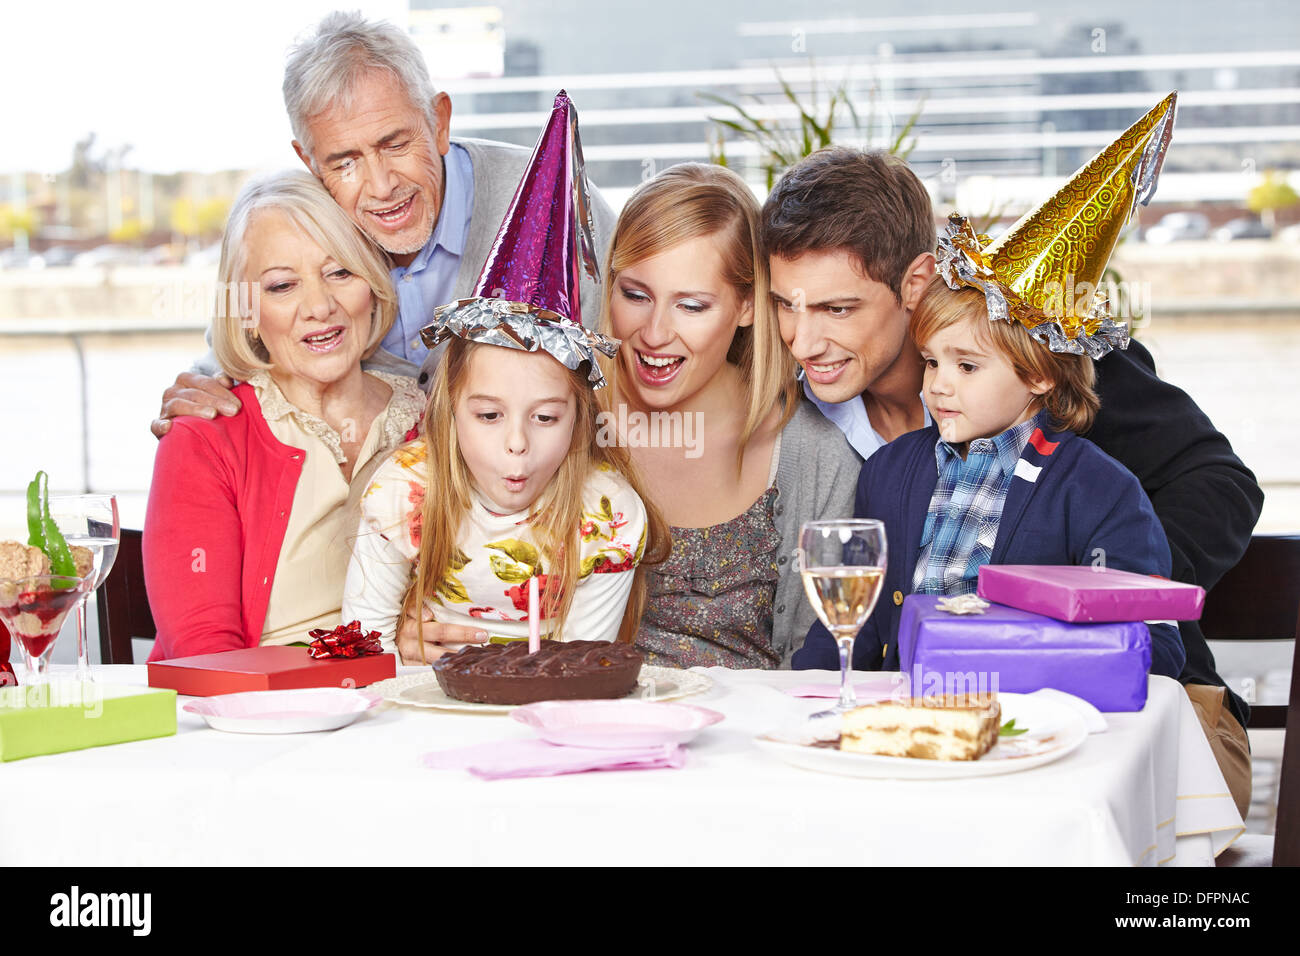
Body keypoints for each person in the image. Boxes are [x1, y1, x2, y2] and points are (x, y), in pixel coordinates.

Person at [763, 131, 1259, 815]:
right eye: (784, 306)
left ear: (916, 284)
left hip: (1135, 715)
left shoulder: (1054, 357)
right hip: (926, 719)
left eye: (836, 309)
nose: (802, 340)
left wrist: (1079, 602)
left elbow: (1223, 484)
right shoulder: (808, 410)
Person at [150, 10, 616, 434]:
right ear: (309, 162)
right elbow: (231, 358)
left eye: (394, 144)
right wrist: (199, 395)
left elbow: (621, 381)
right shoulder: (304, 228)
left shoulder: (558, 204)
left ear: (439, 122)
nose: (380, 186)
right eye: (345, 162)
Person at [792, 272, 1185, 679]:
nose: (938, 386)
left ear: (1039, 373)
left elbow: (1154, 644)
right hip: (906, 717)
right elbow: (853, 625)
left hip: (1032, 721)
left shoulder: (1101, 491)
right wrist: (807, 691)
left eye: (966, 366)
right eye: (931, 362)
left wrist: (1036, 657)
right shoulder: (886, 471)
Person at [143, 171, 425, 659]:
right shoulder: (202, 438)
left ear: (373, 283)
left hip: (405, 707)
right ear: (246, 310)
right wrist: (368, 659)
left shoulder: (435, 421)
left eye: (340, 272)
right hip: (256, 718)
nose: (319, 306)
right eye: (282, 286)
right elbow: (206, 657)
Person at [598, 163, 860, 667]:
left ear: (746, 305)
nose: (654, 333)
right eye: (635, 295)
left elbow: (822, 668)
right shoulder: (560, 424)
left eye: (691, 306)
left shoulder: (815, 458)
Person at [342, 328, 665, 656]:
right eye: (489, 415)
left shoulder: (608, 513)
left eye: (545, 417)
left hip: (544, 698)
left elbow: (577, 674)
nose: (517, 443)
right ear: (451, 408)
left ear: (578, 418)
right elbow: (366, 651)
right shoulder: (403, 486)